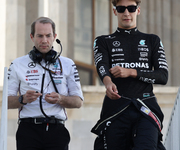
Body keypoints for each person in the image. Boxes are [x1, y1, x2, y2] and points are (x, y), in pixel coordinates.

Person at [91, 0, 168, 150]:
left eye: (131, 8)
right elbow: (102, 66)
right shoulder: (102, 41)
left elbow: (163, 76)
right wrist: (108, 83)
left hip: (146, 108)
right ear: (115, 11)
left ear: (138, 10)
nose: (126, 13)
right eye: (121, 9)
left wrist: (131, 72)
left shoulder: (152, 40)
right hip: (115, 109)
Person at [7, 17, 84, 150]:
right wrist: (23, 99)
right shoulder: (17, 64)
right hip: (28, 131)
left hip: (57, 131)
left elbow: (78, 102)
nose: (44, 40)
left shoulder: (68, 64)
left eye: (48, 35)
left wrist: (61, 99)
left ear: (54, 36)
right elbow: (6, 102)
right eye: (39, 36)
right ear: (32, 37)